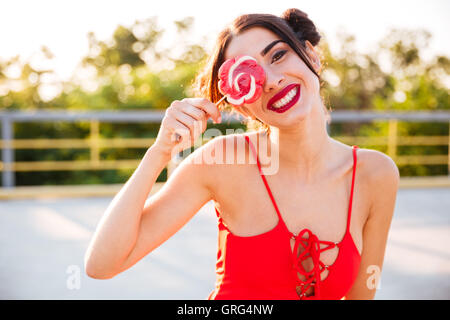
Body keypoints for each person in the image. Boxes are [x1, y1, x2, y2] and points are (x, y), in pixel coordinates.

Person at [84, 8, 400, 300]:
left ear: (311, 56)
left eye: (278, 55)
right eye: (250, 75)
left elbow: (363, 295)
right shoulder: (224, 161)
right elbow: (102, 264)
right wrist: (159, 152)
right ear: (239, 102)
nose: (272, 82)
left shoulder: (376, 174)